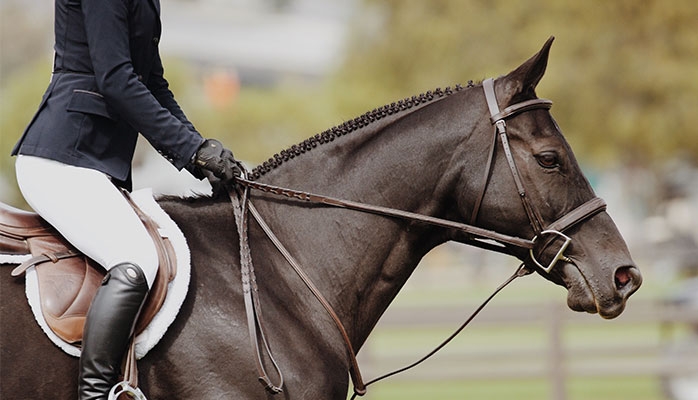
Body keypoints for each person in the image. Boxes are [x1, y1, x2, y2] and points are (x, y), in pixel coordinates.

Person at [10, 1, 237, 398]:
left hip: (93, 163)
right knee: (136, 259)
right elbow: (115, 80)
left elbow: (153, 83)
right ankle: (95, 392)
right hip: (62, 157)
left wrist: (200, 154)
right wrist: (191, 150)